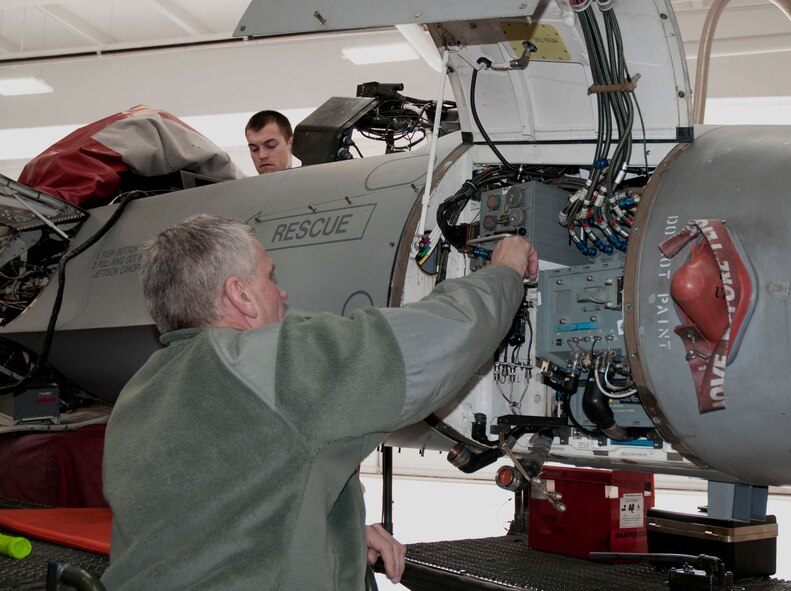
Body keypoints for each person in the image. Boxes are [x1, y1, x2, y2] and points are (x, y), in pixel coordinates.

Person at [101, 214, 538, 590]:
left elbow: (214, 517)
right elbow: (438, 339)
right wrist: (504, 271)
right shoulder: (270, 363)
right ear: (241, 295)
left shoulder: (141, 391)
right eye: (270, 277)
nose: (283, 293)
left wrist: (338, 534)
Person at [245, 110, 294, 174]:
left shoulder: (310, 182)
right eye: (254, 149)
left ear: (291, 144)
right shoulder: (241, 183)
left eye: (271, 145)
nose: (262, 155)